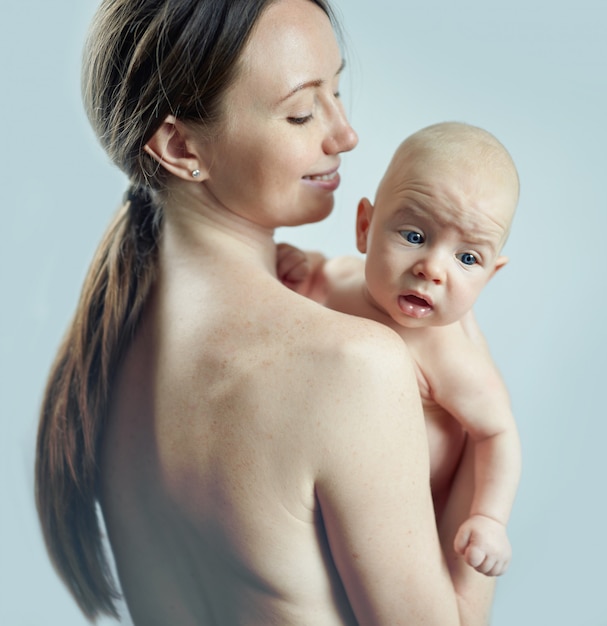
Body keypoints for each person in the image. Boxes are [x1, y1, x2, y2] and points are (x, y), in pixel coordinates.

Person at [35, 1, 495, 624]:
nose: (345, 133)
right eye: (302, 112)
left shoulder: (105, 350)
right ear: (179, 144)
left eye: (337, 90)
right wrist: (483, 435)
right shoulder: (353, 364)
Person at [278, 121, 522, 577]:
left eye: (467, 258)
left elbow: (498, 434)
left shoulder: (449, 355)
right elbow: (320, 277)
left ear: (490, 274)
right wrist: (302, 267)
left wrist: (490, 518)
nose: (432, 269)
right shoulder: (344, 278)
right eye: (414, 236)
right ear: (365, 227)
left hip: (403, 525)